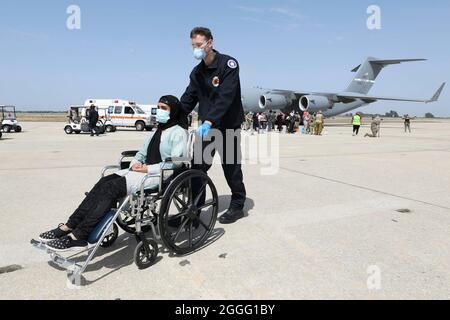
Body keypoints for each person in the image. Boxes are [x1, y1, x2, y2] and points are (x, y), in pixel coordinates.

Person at [38, 96, 188, 252]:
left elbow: (176, 161)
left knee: (112, 189)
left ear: (174, 111)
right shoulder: (156, 131)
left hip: (159, 175)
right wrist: (135, 163)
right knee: (103, 182)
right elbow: (141, 153)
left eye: (164, 108)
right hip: (141, 171)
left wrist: (147, 169)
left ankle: (79, 236)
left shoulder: (179, 132)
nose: (159, 111)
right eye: (158, 107)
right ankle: (70, 226)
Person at [180, 27, 247, 224]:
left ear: (210, 43)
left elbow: (226, 97)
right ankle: (195, 209)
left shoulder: (228, 64)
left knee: (231, 166)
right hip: (206, 128)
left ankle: (237, 205)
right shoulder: (197, 72)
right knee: (198, 168)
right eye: (193, 45)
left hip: (227, 126)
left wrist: (210, 120)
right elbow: (188, 98)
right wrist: (173, 116)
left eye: (199, 45)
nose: (196, 49)